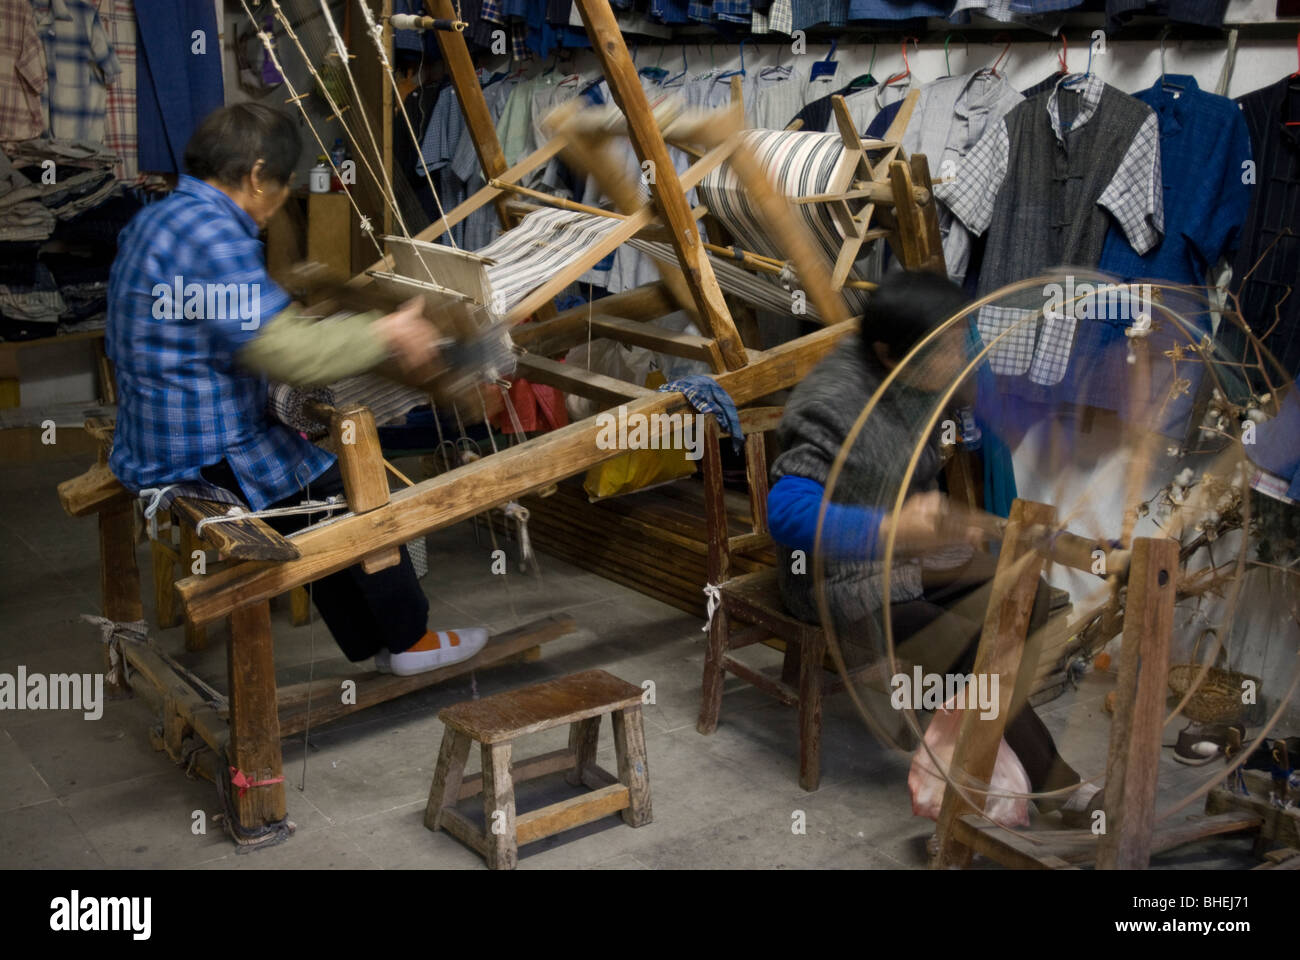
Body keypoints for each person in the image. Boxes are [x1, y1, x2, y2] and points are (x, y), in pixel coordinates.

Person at [107, 103, 486, 676]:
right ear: (258, 176)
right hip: (198, 454)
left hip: (153, 432)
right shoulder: (212, 235)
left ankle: (377, 644)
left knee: (316, 484)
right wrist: (391, 329)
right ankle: (409, 642)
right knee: (343, 484)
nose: (279, 202)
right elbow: (283, 351)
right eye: (282, 187)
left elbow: (229, 325)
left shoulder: (160, 218)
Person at [767, 269, 1101, 824]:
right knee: (969, 646)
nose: (959, 355)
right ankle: (1056, 786)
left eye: (960, 338)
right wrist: (896, 529)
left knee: (1024, 593)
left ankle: (969, 735)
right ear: (888, 353)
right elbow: (788, 514)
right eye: (947, 347)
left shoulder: (921, 375)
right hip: (836, 580)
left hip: (909, 559)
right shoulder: (831, 402)